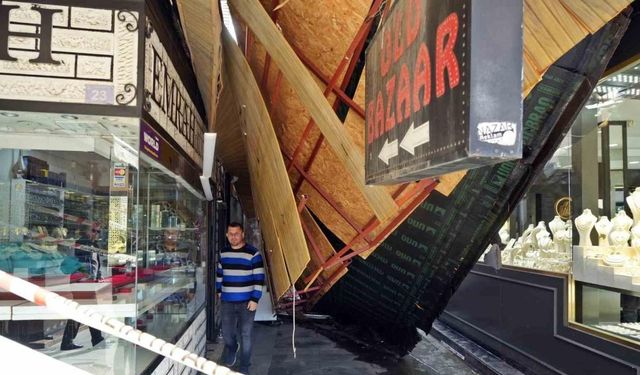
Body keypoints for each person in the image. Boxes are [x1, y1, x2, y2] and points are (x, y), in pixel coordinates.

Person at [216, 222, 265, 374]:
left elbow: (259, 278)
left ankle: (244, 366)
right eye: (230, 234)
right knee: (227, 332)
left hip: (247, 302)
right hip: (227, 301)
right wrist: (219, 291)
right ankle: (232, 347)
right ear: (226, 235)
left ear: (242, 234)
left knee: (246, 334)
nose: (233, 237)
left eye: (236, 234)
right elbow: (219, 274)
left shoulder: (253, 253)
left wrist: (255, 299)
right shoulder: (223, 253)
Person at [60, 222, 105, 350]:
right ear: (87, 231)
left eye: (98, 231)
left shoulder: (92, 245)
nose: (97, 234)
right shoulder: (83, 244)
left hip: (88, 283)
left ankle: (94, 339)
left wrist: (98, 275)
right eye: (94, 231)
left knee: (85, 311)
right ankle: (95, 339)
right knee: (87, 311)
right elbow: (83, 264)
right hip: (82, 283)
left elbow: (95, 263)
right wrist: (89, 277)